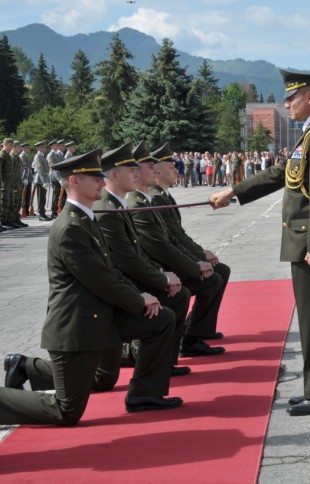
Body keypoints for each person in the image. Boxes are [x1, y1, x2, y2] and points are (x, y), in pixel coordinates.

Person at [0, 150, 181, 425]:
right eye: (94, 177)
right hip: (76, 327)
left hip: (100, 315)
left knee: (160, 321)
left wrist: (142, 295)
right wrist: (139, 299)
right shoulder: (71, 227)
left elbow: (111, 270)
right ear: (74, 181)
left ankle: (144, 395)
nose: (101, 181)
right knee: (67, 410)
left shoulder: (86, 219)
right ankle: (21, 373)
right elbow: (100, 279)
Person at [210, 70, 310, 417]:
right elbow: (280, 173)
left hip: (309, 245)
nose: (286, 103)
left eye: (292, 97)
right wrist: (235, 191)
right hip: (304, 242)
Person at [93, 143, 192, 377]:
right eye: (131, 170)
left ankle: (160, 359)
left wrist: (161, 273)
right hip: (118, 287)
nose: (137, 173)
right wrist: (160, 279)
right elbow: (126, 259)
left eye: (138, 168)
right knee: (102, 377)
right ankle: (148, 359)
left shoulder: (119, 204)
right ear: (114, 175)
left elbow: (138, 253)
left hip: (127, 279)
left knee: (177, 296)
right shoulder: (108, 209)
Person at [126, 141, 226, 358]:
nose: (175, 171)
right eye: (151, 167)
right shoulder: (140, 202)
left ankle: (193, 334)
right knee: (210, 280)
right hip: (157, 270)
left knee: (217, 272)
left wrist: (199, 257)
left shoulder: (153, 199)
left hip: (162, 267)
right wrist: (193, 264)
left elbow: (175, 236)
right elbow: (159, 246)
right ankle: (188, 339)